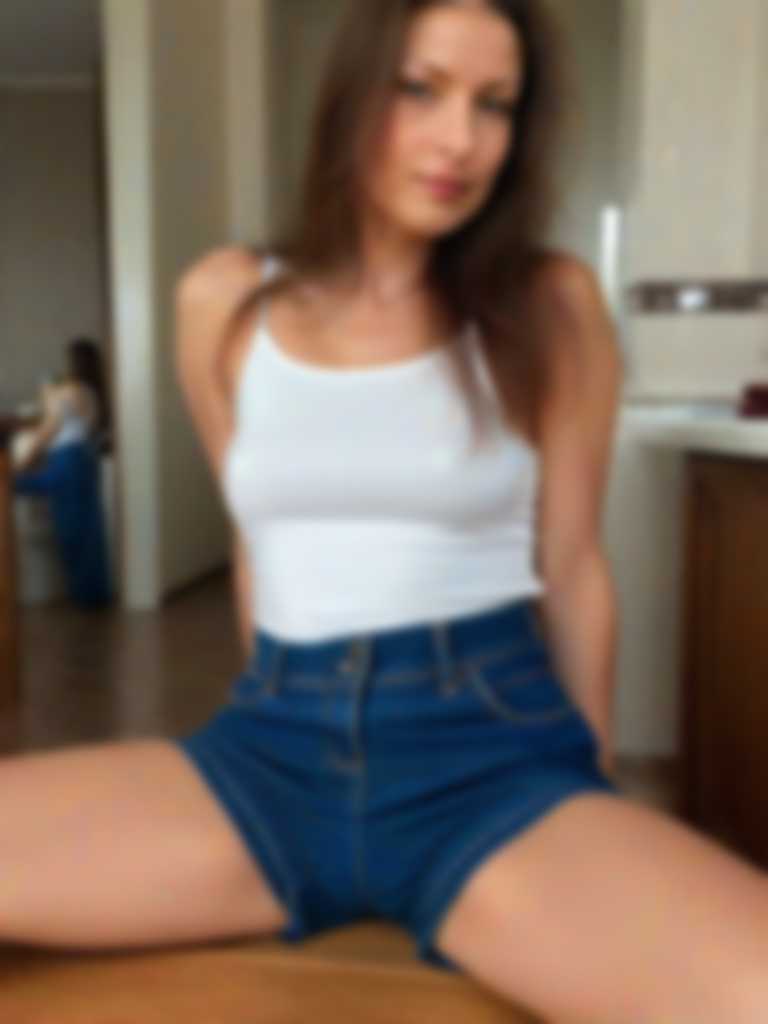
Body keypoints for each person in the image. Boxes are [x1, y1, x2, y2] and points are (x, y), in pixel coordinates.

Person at [2, 3, 767, 1020]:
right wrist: (272, 704)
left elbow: (575, 566)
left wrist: (589, 781)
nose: (461, 139)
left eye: (494, 105)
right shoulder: (223, 302)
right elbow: (257, 541)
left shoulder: (550, 301)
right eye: (421, 89)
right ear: (354, 93)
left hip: (491, 757)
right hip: (272, 753)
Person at [12, 337, 113, 608]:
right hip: (84, 460)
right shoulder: (94, 393)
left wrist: (23, 462)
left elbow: (49, 429)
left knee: (69, 529)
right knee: (87, 530)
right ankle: (92, 595)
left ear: (73, 361)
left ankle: (84, 596)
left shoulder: (69, 390)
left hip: (67, 459)